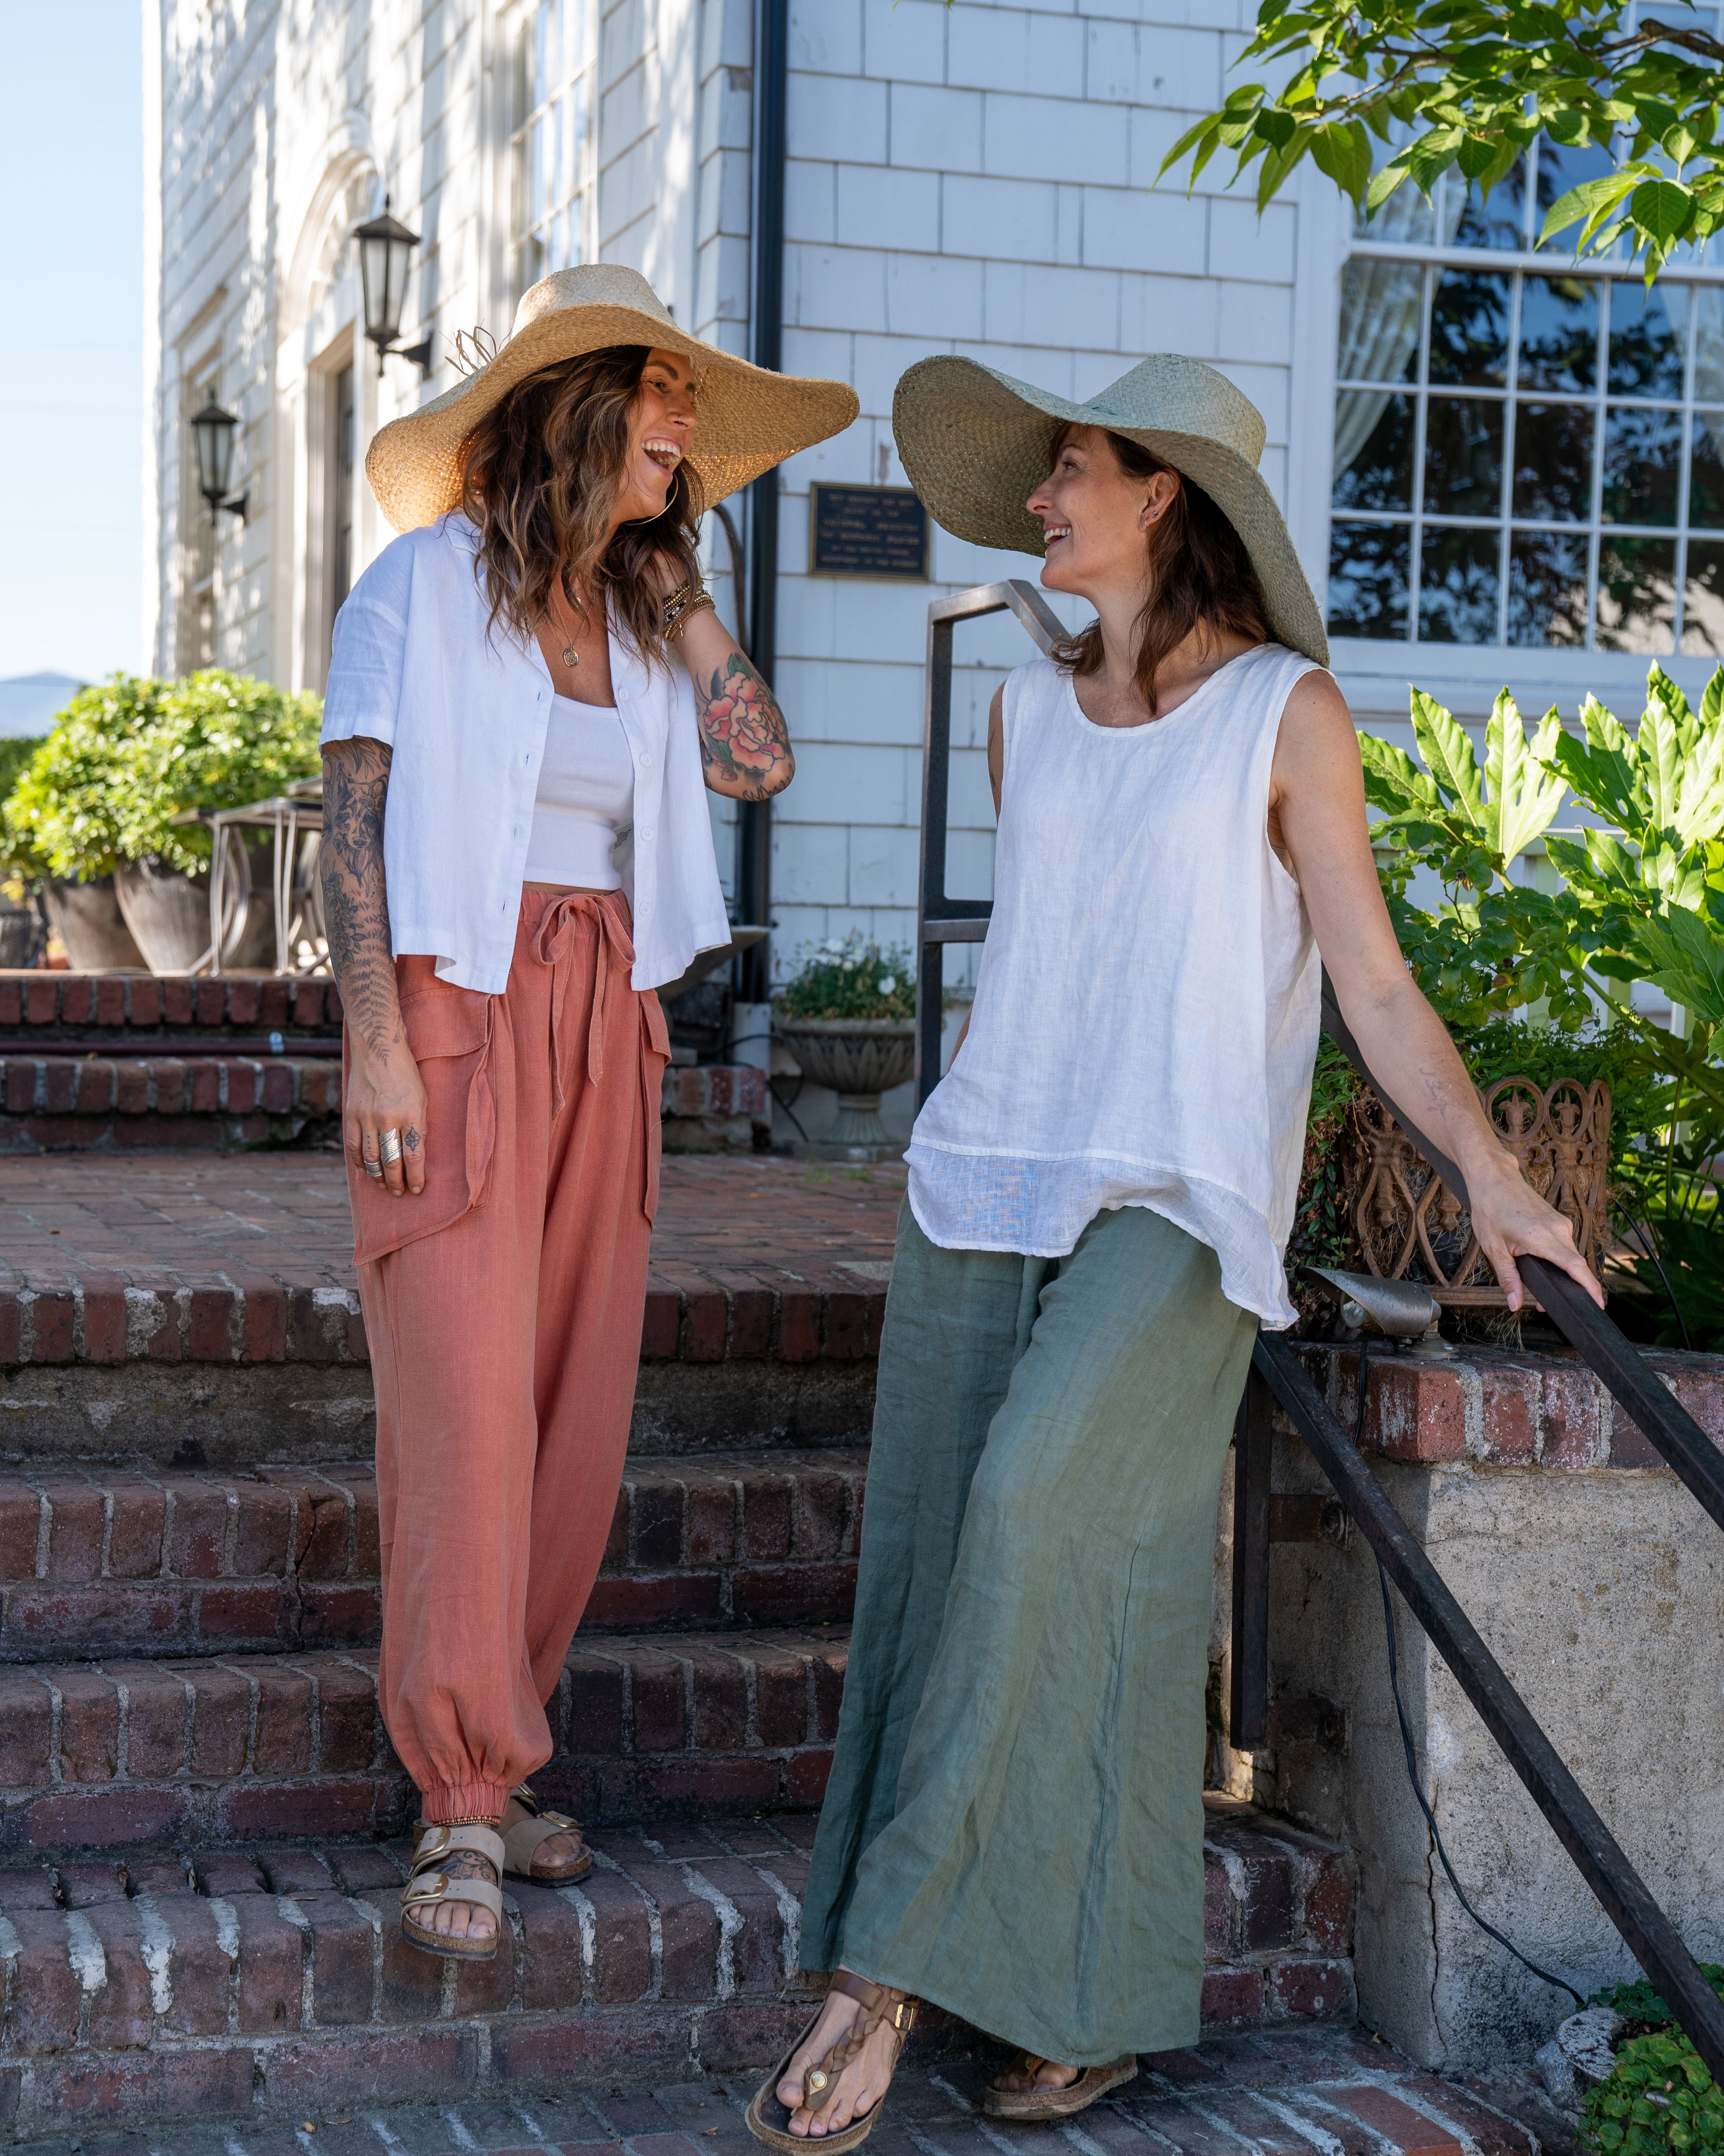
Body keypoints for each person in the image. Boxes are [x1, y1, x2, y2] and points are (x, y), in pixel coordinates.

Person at [745, 353, 1603, 2150]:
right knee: (1012, 1573)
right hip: (986, 1177)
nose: (1036, 503)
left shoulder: (1288, 714)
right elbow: (1054, 957)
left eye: (1073, 473)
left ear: (1166, 501)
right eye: (1042, 473)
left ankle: (880, 1977)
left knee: (1034, 1515)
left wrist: (1492, 1176)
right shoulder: (1019, 712)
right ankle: (1089, 2005)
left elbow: (1367, 977)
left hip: (1185, 1199)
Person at [318, 264, 856, 1961]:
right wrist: (376, 1045)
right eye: (666, 397)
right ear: (581, 407)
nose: (686, 431)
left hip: (607, 1025)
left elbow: (760, 761)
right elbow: (352, 828)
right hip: (457, 1017)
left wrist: (689, 601)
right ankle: (460, 1798)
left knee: (568, 1421)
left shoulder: (638, 626)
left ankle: (503, 1752)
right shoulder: (414, 588)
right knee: (469, 1408)